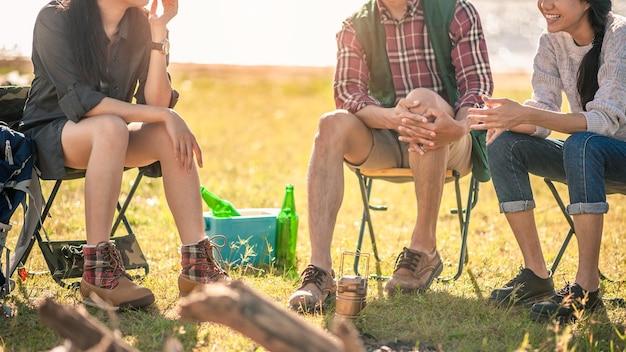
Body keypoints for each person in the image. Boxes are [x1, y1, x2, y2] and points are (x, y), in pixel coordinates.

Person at [20, 0, 229, 310]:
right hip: (51, 136)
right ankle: (98, 271)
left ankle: (197, 266)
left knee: (164, 135)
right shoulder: (55, 19)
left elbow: (156, 101)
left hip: (110, 136)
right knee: (113, 127)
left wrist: (158, 34)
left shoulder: (141, 26)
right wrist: (165, 115)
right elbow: (83, 102)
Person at [288, 0, 493, 313]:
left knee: (422, 100)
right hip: (385, 134)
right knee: (330, 123)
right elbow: (348, 93)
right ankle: (321, 270)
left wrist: (460, 126)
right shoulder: (355, 25)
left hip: (452, 139)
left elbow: (476, 86)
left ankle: (423, 249)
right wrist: (393, 118)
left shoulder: (456, 10)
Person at [468, 0, 625, 322]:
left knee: (583, 143)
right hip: (584, 158)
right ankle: (536, 274)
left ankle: (586, 288)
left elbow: (605, 122)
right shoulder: (551, 40)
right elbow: (543, 109)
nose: (545, 4)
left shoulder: (619, 36)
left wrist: (527, 113)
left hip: (610, 153)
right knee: (505, 142)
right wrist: (505, 118)